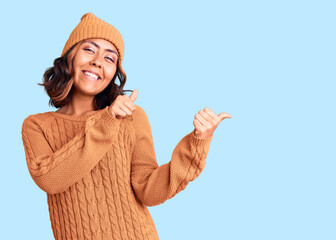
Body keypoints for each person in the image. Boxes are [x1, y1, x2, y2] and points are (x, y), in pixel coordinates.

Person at [21, 12, 231, 240]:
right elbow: (50, 179)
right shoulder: (37, 125)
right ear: (69, 57)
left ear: (114, 74)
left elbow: (148, 191)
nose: (98, 61)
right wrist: (107, 120)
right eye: (89, 50)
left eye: (110, 58)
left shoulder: (132, 117)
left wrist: (196, 143)